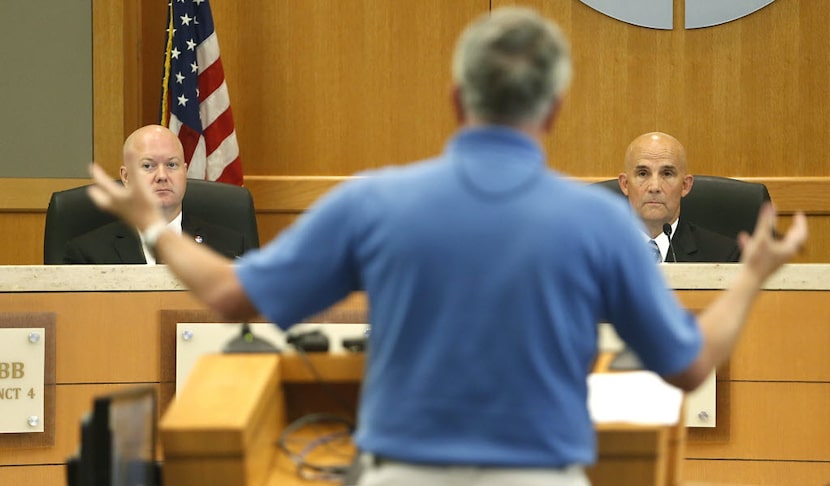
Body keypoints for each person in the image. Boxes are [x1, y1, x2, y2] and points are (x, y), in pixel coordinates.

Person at [85, 7, 807, 486]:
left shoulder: (375, 201)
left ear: (459, 100)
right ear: (554, 108)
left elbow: (228, 294)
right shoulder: (600, 224)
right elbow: (687, 364)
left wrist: (150, 226)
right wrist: (751, 278)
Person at [63, 125, 253, 264]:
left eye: (172, 165)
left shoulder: (231, 248)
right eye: (148, 166)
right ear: (126, 176)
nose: (162, 176)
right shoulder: (86, 254)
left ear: (184, 172)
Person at [618, 132, 741, 263]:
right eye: (643, 174)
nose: (654, 187)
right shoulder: (597, 252)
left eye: (667, 174)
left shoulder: (724, 255)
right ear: (625, 184)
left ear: (685, 185)